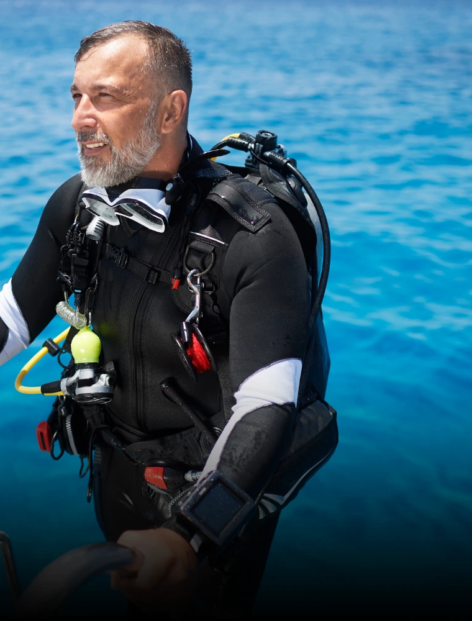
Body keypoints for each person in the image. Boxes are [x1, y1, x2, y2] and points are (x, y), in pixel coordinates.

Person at [0, 21, 335, 613]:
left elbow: (269, 406)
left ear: (168, 110)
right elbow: (13, 319)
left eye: (105, 97)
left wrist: (192, 536)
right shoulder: (76, 208)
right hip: (115, 475)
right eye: (76, 96)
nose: (80, 116)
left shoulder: (253, 238)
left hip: (212, 495)